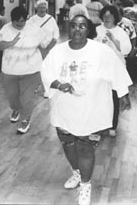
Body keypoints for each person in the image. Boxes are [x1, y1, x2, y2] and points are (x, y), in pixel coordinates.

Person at [40, 14, 132, 205]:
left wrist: (123, 94)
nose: (77, 30)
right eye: (74, 26)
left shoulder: (100, 51)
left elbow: (117, 70)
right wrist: (58, 84)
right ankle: (76, 172)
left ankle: (85, 184)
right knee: (68, 144)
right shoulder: (58, 51)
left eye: (82, 26)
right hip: (64, 107)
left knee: (85, 148)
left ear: (88, 29)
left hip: (92, 107)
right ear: (69, 28)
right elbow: (46, 71)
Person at [0, 6, 49, 134]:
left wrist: (46, 60)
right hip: (10, 70)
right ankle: (16, 109)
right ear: (12, 20)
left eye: (22, 21)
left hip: (31, 70)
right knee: (12, 98)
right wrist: (11, 42)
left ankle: (25, 120)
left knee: (27, 98)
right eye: (16, 21)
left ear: (26, 19)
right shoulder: (6, 29)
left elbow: (44, 45)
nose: (19, 23)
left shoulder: (35, 30)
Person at [95, 5, 132, 137]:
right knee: (99, 97)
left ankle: (112, 125)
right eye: (105, 15)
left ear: (115, 17)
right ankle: (98, 124)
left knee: (114, 98)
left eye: (110, 15)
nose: (107, 18)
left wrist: (113, 40)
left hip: (116, 70)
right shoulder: (97, 30)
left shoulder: (120, 32)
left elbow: (127, 50)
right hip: (99, 69)